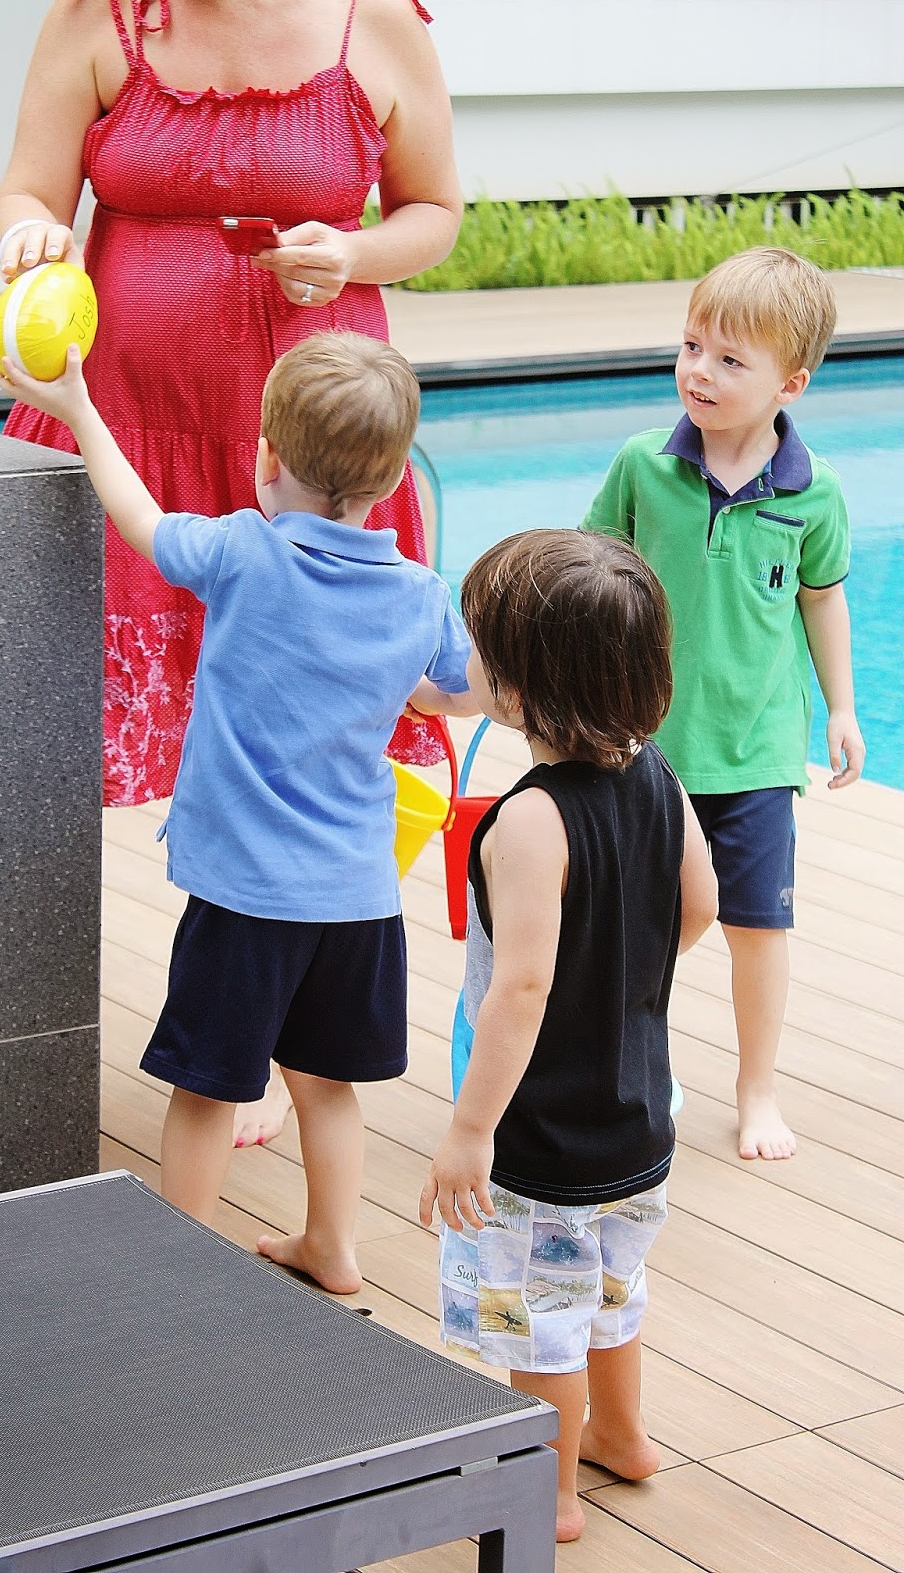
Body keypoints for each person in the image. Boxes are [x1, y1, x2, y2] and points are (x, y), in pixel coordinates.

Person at [0, 0, 462, 1149]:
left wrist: (351, 253)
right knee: (43, 743)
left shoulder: (374, 16)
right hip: (119, 434)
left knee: (307, 743)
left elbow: (435, 214)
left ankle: (273, 1033)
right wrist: (30, 236)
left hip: (305, 462)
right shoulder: (100, 10)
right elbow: (26, 191)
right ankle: (10, 1043)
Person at [0, 330, 474, 1293]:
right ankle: (333, 1247)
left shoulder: (242, 554)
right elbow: (460, 694)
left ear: (265, 458)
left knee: (206, 1088)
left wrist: (80, 408)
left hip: (247, 899)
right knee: (325, 1087)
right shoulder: (417, 595)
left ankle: (177, 1271)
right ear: (392, 483)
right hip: (357, 901)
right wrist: (412, 687)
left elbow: (138, 516)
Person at [419, 529, 718, 1545]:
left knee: (539, 1314)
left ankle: (545, 1494)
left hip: (542, 1136)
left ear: (516, 691)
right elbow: (700, 906)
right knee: (608, 1290)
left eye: (479, 646)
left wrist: (469, 1131)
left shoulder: (529, 820)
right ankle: (621, 1437)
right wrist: (622, 979)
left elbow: (521, 984)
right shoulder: (659, 775)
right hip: (639, 1116)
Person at [582, 246, 865, 1162]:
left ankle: (756, 1087)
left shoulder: (815, 493)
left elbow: (822, 599)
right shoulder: (642, 466)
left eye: (730, 359)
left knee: (757, 927)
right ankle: (638, 1066)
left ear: (791, 383)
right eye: (692, 346)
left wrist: (842, 710)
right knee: (640, 922)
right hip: (644, 746)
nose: (698, 370)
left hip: (757, 752)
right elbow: (591, 571)